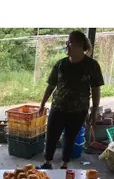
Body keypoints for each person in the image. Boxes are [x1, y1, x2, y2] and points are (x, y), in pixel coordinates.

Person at [38, 30, 104, 170]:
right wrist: (43, 103)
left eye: (69, 42)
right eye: (67, 42)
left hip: (78, 110)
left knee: (70, 138)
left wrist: (94, 111)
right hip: (58, 107)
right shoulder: (61, 64)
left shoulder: (92, 66)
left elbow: (96, 89)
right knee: (51, 136)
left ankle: (64, 164)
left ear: (80, 45)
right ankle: (47, 162)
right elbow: (51, 85)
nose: (66, 45)